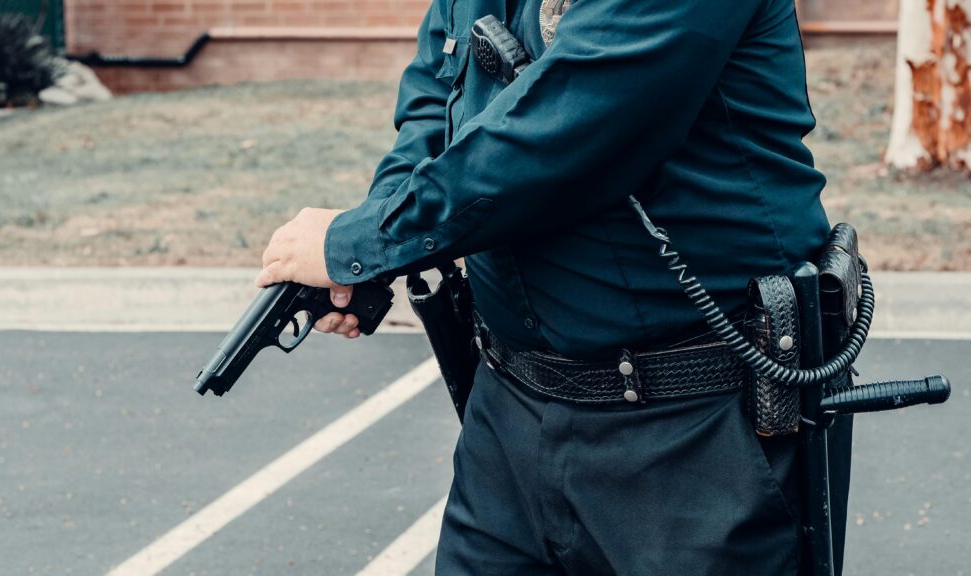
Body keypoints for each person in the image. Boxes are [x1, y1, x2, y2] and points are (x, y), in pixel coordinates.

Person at [255, 0, 851, 573]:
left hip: (694, 424)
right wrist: (368, 254)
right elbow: (439, 98)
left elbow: (566, 126)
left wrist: (359, 241)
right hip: (508, 414)